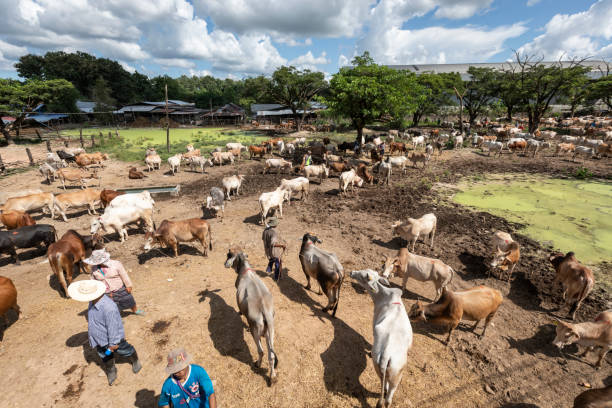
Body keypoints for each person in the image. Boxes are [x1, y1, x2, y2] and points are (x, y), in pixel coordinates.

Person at [68, 280, 142, 386]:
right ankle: (111, 369)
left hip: (113, 340)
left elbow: (113, 328)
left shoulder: (108, 308)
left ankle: (135, 359)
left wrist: (113, 344)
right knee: (104, 354)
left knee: (124, 350)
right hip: (100, 339)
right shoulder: (92, 301)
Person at [85, 249, 144, 315]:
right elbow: (93, 279)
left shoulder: (116, 264)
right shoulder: (94, 268)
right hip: (105, 291)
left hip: (119, 287)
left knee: (128, 299)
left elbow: (124, 275)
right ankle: (117, 317)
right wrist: (93, 289)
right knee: (111, 305)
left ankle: (135, 310)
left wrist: (128, 285)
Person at [262, 217, 287, 281]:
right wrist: (282, 245)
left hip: (267, 250)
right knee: (278, 263)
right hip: (274, 251)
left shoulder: (265, 231)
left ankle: (269, 269)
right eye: (276, 223)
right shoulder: (273, 233)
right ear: (274, 225)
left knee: (272, 259)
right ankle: (277, 277)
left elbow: (263, 239)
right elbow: (273, 244)